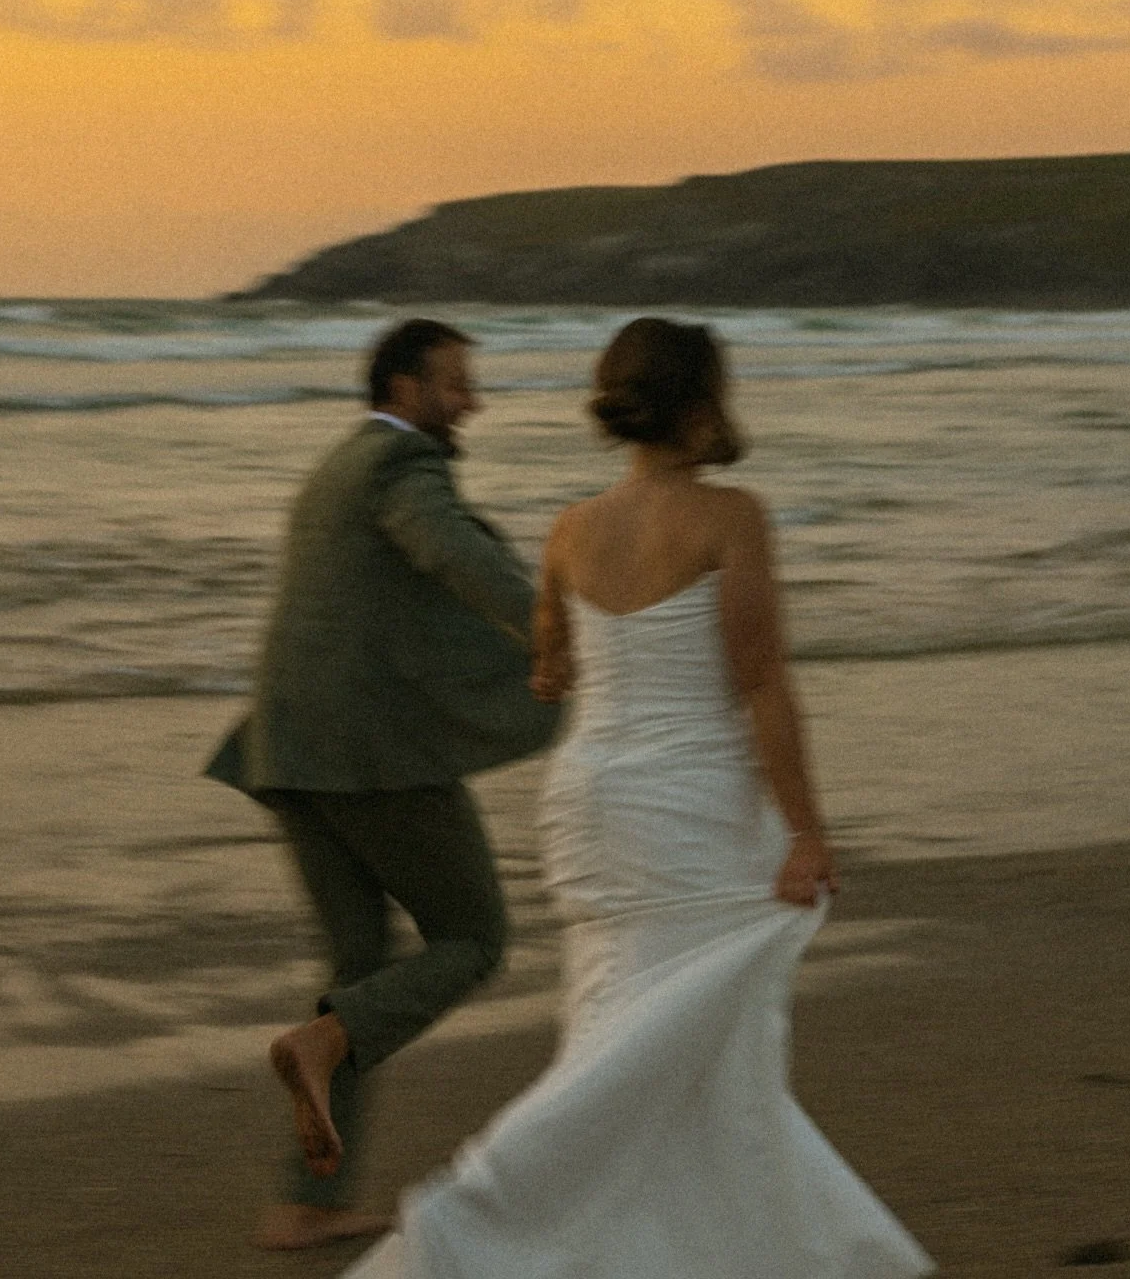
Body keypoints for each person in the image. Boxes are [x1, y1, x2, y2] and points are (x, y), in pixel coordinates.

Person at [344, 317, 933, 1279]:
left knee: (618, 1021)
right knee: (691, 1048)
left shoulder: (572, 528)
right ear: (702, 404)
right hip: (688, 802)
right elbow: (761, 682)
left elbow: (550, 670)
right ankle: (475, 1215)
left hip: (591, 801)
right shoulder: (730, 517)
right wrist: (807, 834)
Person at [205, 318, 559, 1251]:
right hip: (369, 757)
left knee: (360, 966)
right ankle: (321, 1051)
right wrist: (559, 635)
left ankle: (305, 1201)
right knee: (473, 937)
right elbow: (456, 555)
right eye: (454, 384)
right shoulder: (403, 470)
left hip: (288, 750)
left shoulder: (335, 467)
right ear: (403, 390)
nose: (471, 402)